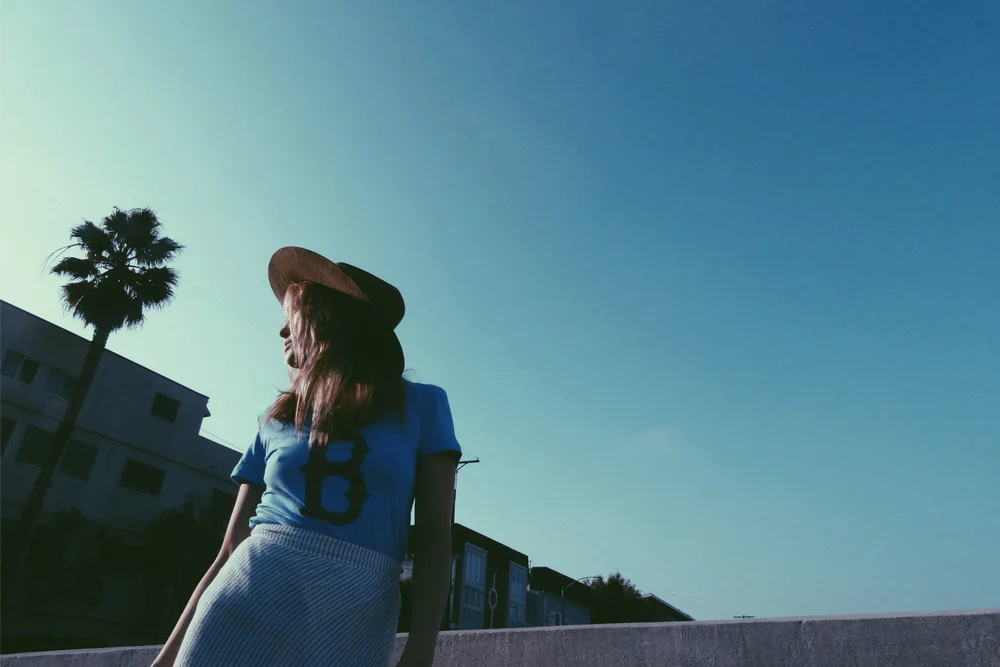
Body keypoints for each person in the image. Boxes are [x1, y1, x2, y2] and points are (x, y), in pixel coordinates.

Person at [152, 247, 460, 667]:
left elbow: (434, 536)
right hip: (247, 590)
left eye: (293, 317)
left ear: (330, 319)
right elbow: (230, 548)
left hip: (357, 611)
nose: (282, 331)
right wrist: (166, 657)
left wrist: (422, 648)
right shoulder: (274, 418)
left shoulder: (423, 405)